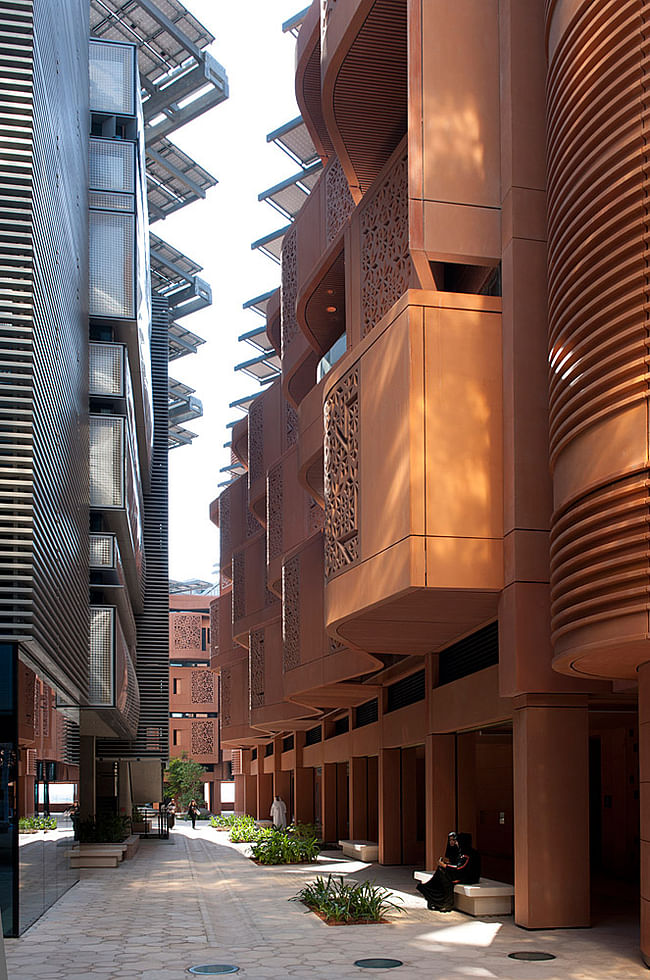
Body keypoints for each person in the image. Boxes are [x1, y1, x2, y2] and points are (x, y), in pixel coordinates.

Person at [416, 831, 480, 912]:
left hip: (468, 877)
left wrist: (445, 866)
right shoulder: (464, 852)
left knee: (445, 876)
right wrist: (445, 865)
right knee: (441, 871)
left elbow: (460, 868)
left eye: (457, 841)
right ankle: (435, 897)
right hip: (463, 874)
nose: (456, 843)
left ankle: (447, 903)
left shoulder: (468, 854)